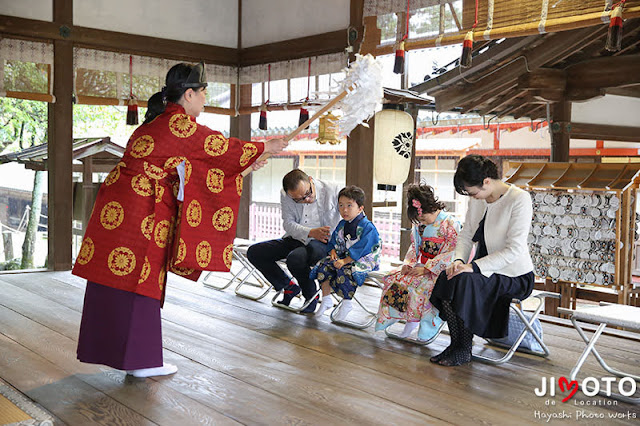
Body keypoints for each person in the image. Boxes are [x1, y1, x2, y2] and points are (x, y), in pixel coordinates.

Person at [73, 62, 287, 378]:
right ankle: (141, 361)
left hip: (118, 207)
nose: (204, 100)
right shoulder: (180, 126)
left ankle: (114, 352)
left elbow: (195, 169)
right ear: (189, 94)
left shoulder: (155, 124)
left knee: (113, 276)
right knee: (140, 278)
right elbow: (220, 148)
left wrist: (241, 168)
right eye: (203, 93)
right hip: (142, 210)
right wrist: (266, 146)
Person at [429, 154, 534, 367]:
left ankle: (464, 348)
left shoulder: (519, 199)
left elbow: (514, 249)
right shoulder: (478, 199)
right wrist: (458, 261)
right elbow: (466, 234)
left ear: (486, 181)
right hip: (481, 269)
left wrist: (473, 267)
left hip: (514, 275)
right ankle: (456, 344)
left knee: (465, 281)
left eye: (473, 192)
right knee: (449, 276)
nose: (473, 197)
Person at [246, 169, 341, 313]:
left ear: (310, 180)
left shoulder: (333, 190)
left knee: (295, 259)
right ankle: (288, 286)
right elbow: (288, 224)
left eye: (308, 194)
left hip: (324, 242)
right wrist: (310, 232)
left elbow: (354, 216)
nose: (306, 200)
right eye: (299, 199)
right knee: (255, 252)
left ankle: (310, 296)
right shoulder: (286, 195)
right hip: (298, 237)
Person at [375, 184, 460, 340]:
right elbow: (414, 246)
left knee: (421, 288)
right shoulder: (420, 224)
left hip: (441, 271)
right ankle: (405, 319)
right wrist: (408, 264)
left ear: (432, 207)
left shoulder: (450, 223)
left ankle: (426, 327)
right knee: (394, 279)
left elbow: (452, 252)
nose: (421, 221)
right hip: (422, 266)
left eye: (423, 217)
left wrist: (427, 269)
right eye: (419, 219)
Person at [310, 185, 381, 320]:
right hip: (344, 256)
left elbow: (363, 248)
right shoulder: (342, 224)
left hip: (364, 259)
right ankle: (326, 299)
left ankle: (347, 302)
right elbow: (334, 240)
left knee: (345, 270)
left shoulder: (367, 227)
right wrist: (332, 251)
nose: (344, 210)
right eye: (341, 205)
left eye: (349, 205)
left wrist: (345, 260)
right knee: (323, 266)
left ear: (360, 208)